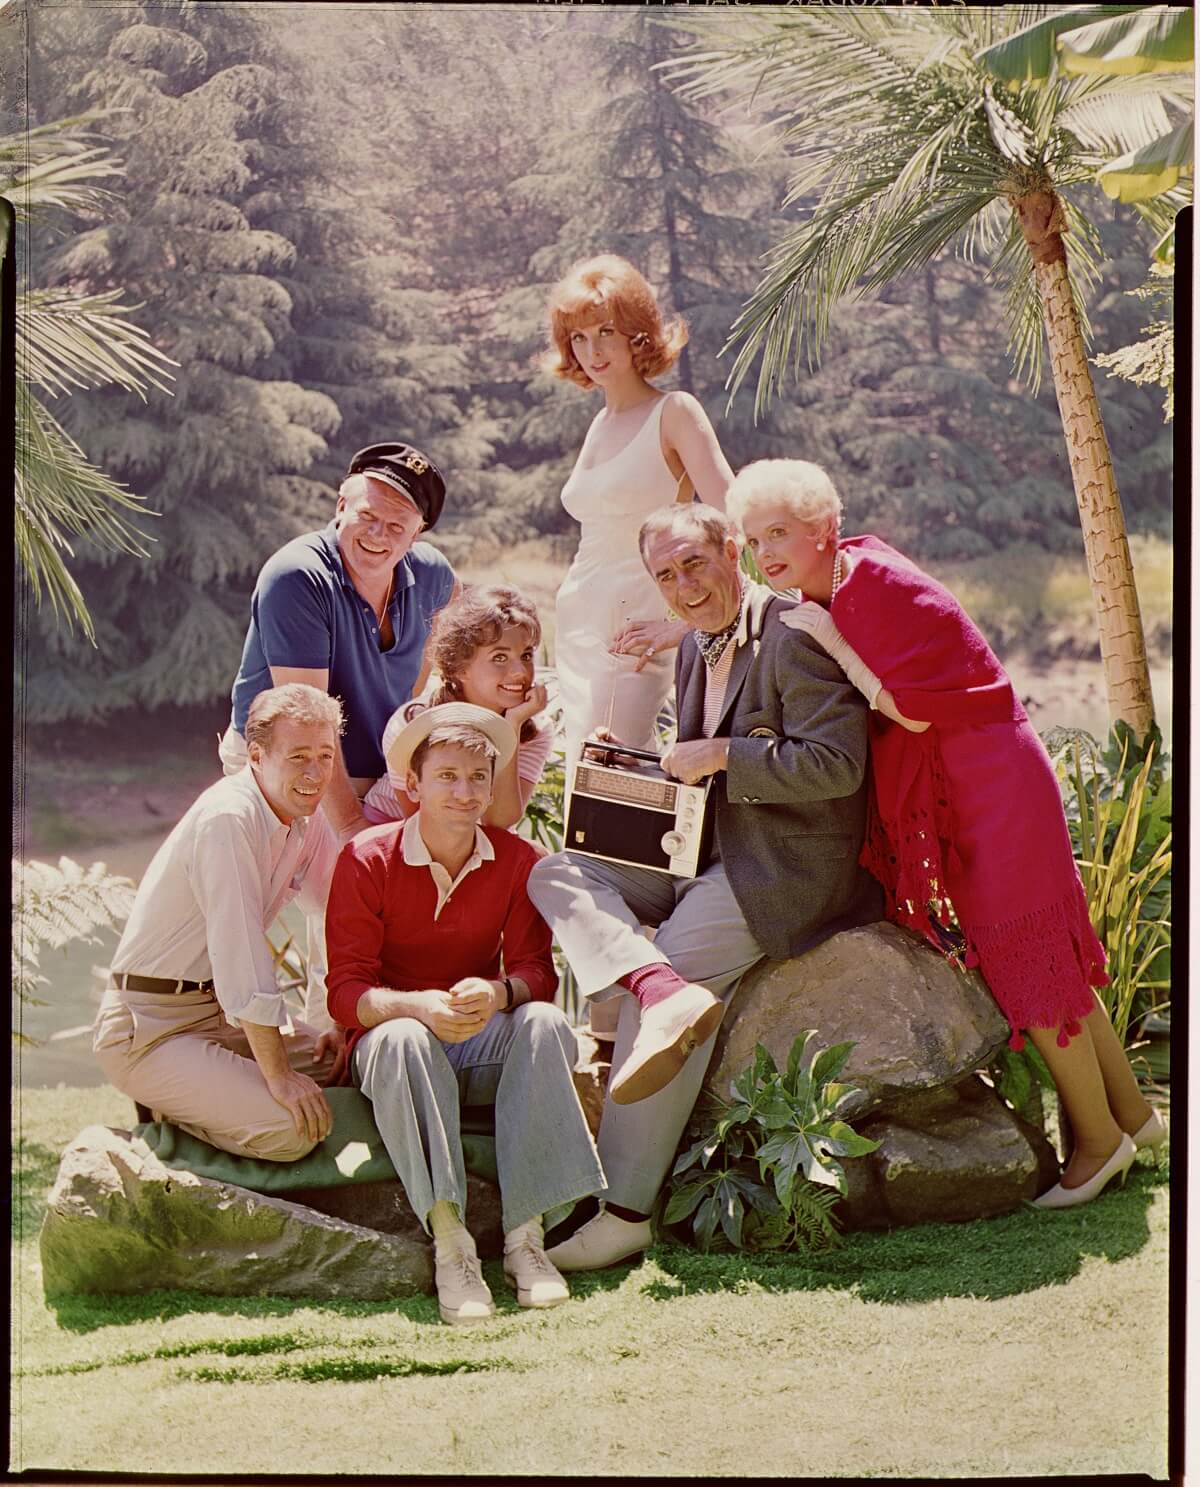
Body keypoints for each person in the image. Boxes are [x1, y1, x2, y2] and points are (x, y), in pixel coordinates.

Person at [727, 457, 1166, 1209]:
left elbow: (916, 709)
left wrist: (829, 640)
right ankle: (1133, 1116)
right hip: (972, 779)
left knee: (1024, 949)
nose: (767, 552)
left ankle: (1095, 1146)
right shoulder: (838, 586)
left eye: (781, 533)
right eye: (754, 538)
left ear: (823, 529)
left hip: (987, 778)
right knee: (1044, 949)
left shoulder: (869, 586)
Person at [526, 504, 880, 1271]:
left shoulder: (794, 631)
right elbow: (700, 771)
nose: (684, 587)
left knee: (683, 962)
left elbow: (838, 766)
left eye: (695, 564)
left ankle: (623, 1210)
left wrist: (720, 751)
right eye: (665, 575)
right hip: (705, 850)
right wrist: (640, 767)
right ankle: (654, 986)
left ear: (732, 552)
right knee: (556, 867)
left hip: (780, 869)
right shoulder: (694, 644)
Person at [324, 703, 606, 1324]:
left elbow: (537, 973)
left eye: (478, 777)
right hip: (393, 1047)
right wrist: (415, 1006)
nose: (465, 791)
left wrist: (499, 993)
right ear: (413, 785)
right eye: (447, 776)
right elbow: (345, 993)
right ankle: (452, 1244)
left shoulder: (516, 860)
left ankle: (525, 1240)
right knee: (403, 1039)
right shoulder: (365, 859)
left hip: (477, 1036)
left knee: (544, 1023)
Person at [221, 441, 461, 1029]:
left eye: (397, 525)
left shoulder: (434, 576)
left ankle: (336, 1048)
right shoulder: (296, 577)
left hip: (371, 762)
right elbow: (308, 728)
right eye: (367, 516)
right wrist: (355, 830)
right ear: (340, 506)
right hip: (285, 763)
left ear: (419, 532)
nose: (378, 535)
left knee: (376, 912)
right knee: (335, 898)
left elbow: (433, 667)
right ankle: (313, 1045)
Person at [92, 684, 347, 1161]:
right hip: (149, 1029)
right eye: (298, 757)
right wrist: (278, 1076)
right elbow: (241, 956)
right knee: (292, 1131)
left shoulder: (303, 820)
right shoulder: (228, 819)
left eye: (325, 755)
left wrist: (342, 1019)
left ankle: (209, 1097)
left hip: (218, 1015)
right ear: (256, 755)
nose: (315, 774)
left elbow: (340, 913)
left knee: (345, 1067)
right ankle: (166, 1123)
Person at [545, 254, 736, 770]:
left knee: (609, 773)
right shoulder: (600, 424)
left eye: (606, 330)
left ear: (638, 333)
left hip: (637, 627)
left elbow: (736, 524)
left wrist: (686, 626)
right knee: (585, 782)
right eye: (579, 338)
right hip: (580, 620)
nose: (593, 350)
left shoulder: (674, 412)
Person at [361, 585, 552, 830]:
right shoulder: (414, 723)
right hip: (396, 831)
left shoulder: (533, 729)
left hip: (474, 840)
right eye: (500, 658)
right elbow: (424, 829)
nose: (520, 672)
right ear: (460, 667)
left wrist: (511, 727)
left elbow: (499, 822)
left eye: (526, 656)